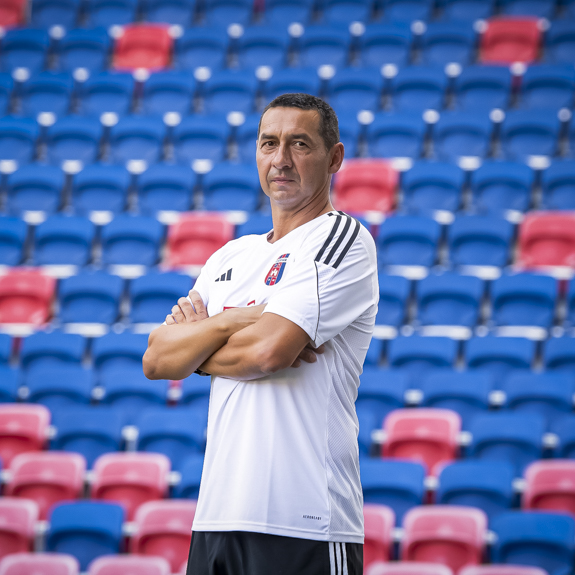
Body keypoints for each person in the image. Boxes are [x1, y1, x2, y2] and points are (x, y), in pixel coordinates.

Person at [143, 93, 379, 575]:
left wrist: (198, 348)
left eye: (300, 144)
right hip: (216, 518)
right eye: (269, 143)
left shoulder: (342, 239)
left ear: (334, 158)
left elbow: (270, 351)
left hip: (305, 522)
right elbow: (157, 359)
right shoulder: (230, 256)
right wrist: (231, 323)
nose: (281, 160)